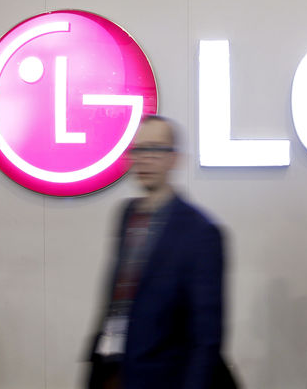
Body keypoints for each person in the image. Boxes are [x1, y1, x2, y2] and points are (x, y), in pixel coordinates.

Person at [86, 115, 235, 389]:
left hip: (165, 378)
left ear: (174, 159)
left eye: (155, 149)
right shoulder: (126, 215)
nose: (144, 158)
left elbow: (206, 336)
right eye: (139, 149)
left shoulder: (200, 232)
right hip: (113, 372)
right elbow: (117, 302)